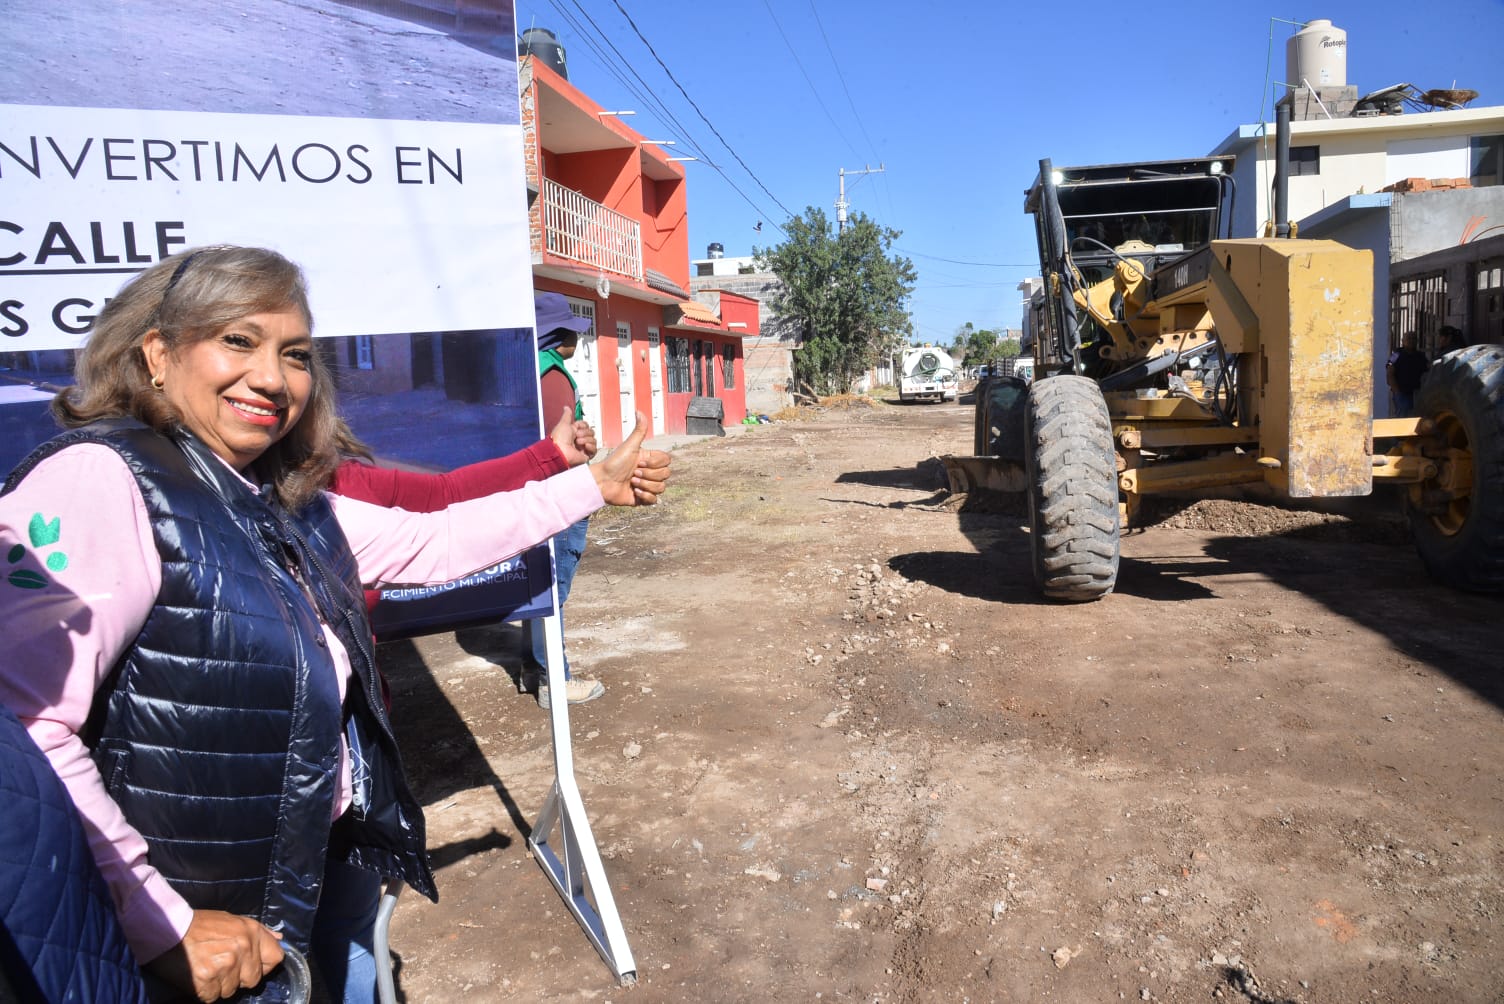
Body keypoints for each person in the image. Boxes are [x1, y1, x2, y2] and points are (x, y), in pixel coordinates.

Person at [0, 246, 669, 1003]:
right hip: (204, 918)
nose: (272, 377)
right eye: (238, 341)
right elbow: (24, 732)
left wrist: (590, 487)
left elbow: (434, 540)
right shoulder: (102, 479)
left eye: (294, 354)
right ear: (158, 353)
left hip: (316, 852)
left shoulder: (274, 495)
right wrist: (163, 922)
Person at [525, 292, 602, 709]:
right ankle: (555, 679)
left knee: (536, 585)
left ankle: (531, 667)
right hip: (561, 495)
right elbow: (562, 446)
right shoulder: (551, 377)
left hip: (538, 493)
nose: (578, 339)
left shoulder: (530, 368)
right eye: (573, 331)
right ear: (557, 335)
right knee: (554, 587)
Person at [1385, 330, 1429, 417]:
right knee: (1403, 417)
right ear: (1403, 341)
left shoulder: (1420, 356)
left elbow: (1428, 368)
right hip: (1402, 394)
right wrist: (1396, 391)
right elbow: (1390, 371)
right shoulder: (1396, 354)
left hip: (1417, 393)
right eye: (1408, 339)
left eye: (1414, 339)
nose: (1411, 341)